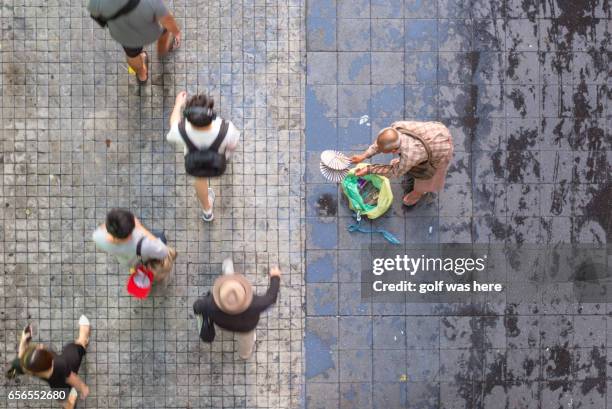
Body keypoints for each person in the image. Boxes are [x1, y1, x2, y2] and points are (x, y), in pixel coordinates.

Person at [166, 92, 240, 222]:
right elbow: (233, 146)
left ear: (188, 116)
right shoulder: (226, 129)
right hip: (218, 160)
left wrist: (178, 104)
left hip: (196, 163)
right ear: (211, 114)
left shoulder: (180, 130)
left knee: (200, 180)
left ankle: (207, 211)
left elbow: (173, 124)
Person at [350, 120, 454, 207]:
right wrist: (363, 156)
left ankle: (417, 194)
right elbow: (381, 143)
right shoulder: (397, 127)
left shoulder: (410, 155)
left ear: (394, 150)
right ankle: (404, 165)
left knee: (426, 179)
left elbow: (394, 172)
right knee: (407, 163)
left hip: (442, 150)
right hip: (437, 131)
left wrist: (369, 169)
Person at [193, 260, 281, 359]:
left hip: (224, 324)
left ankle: (227, 267)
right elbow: (271, 298)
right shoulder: (255, 304)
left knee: (229, 286)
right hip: (246, 328)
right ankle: (244, 355)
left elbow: (197, 306)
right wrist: (275, 277)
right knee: (246, 344)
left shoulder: (210, 304)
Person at [87, 0, 181, 84]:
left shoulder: (95, 2)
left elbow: (98, 16)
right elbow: (167, 19)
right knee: (164, 30)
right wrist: (176, 32)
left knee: (132, 55)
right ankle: (162, 52)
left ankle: (142, 75)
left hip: (125, 35)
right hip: (151, 32)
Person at [6, 317, 91, 409]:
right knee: (74, 348)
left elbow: (21, 358)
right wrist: (83, 388)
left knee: (62, 399)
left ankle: (70, 403)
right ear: (50, 360)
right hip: (63, 375)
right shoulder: (59, 365)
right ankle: (83, 340)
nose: (41, 346)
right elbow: (72, 378)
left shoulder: (28, 367)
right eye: (40, 349)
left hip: (55, 386)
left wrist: (23, 341)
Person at [92, 208, 177, 284]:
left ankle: (134, 269)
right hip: (141, 257)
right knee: (161, 236)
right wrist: (140, 227)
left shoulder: (97, 237)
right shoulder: (144, 244)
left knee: (133, 264)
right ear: (129, 235)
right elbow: (164, 252)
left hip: (126, 260)